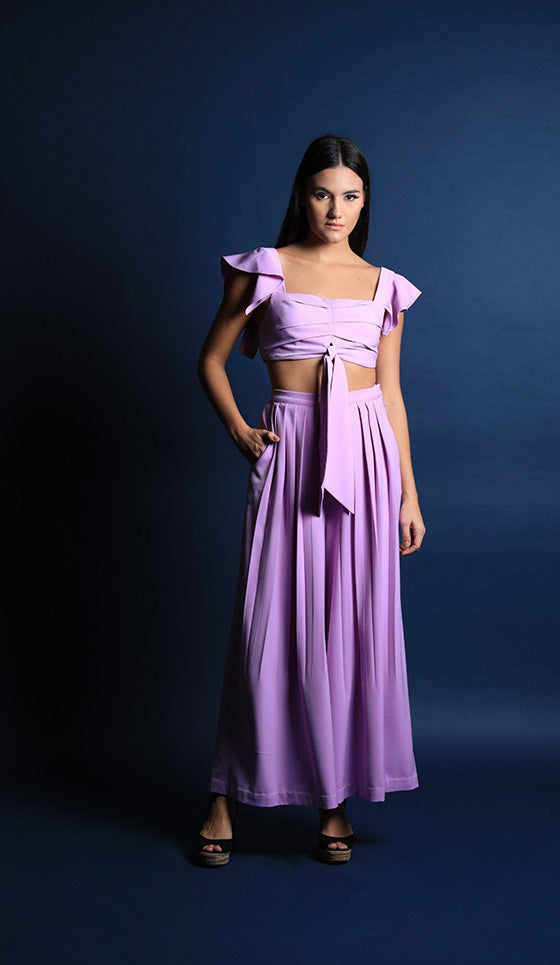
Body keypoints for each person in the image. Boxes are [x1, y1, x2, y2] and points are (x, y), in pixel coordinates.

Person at [195, 134, 425, 866]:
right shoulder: (265, 269)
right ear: (303, 194)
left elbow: (390, 393)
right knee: (268, 627)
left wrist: (408, 494)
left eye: (351, 196)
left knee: (352, 627)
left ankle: (334, 800)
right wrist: (240, 430)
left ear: (365, 202)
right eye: (324, 193)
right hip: (291, 450)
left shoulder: (385, 286)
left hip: (367, 458)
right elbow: (210, 359)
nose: (336, 209)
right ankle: (226, 794)